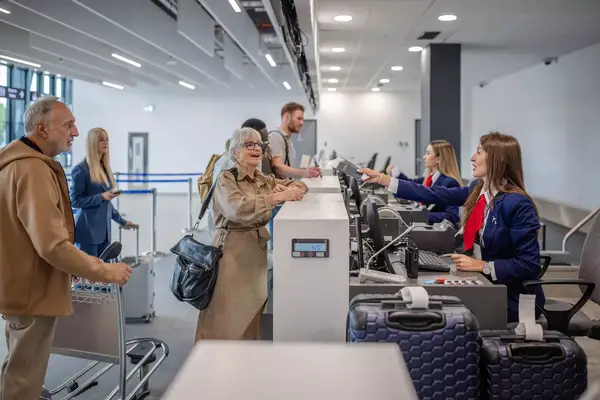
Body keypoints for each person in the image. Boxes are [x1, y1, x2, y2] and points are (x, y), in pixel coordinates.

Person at [0, 96, 132, 400]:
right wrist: (104, 271)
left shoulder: (16, 164)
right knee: (25, 377)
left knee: (18, 368)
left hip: (20, 285)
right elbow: (51, 244)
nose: (75, 132)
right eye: (68, 125)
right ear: (42, 129)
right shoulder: (32, 170)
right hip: (32, 290)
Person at [360, 132, 544, 323]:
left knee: (436, 311)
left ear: (498, 159)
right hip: (484, 282)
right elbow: (434, 193)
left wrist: (483, 266)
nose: (473, 158)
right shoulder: (478, 189)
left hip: (511, 298)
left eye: (479, 152)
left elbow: (529, 265)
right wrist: (384, 179)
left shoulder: (518, 204)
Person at [195, 127, 308, 341]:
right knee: (226, 318)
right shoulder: (226, 178)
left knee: (252, 314)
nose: (256, 148)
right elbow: (237, 209)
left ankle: (245, 365)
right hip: (231, 254)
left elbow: (298, 185)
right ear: (235, 151)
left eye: (259, 145)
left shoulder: (259, 177)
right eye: (249, 144)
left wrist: (294, 190)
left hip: (254, 254)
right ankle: (214, 368)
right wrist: (275, 198)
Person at [70, 128, 137, 257]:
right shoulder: (80, 170)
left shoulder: (104, 168)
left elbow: (106, 203)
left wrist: (121, 221)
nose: (105, 142)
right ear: (92, 143)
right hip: (87, 232)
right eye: (101, 139)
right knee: (89, 274)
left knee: (102, 273)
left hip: (104, 232)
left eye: (107, 139)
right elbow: (75, 201)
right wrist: (100, 196)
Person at [386, 139, 462, 226]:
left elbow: (452, 216)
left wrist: (421, 216)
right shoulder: (429, 179)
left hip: (439, 233)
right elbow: (411, 185)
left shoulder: (451, 183)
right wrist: (397, 175)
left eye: (428, 153)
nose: (424, 157)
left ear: (438, 159)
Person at [267, 102, 321, 179]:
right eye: (299, 119)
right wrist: (304, 173)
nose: (302, 123)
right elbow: (277, 166)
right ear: (287, 117)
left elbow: (287, 167)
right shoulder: (276, 137)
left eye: (302, 119)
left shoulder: (288, 140)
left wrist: (309, 171)